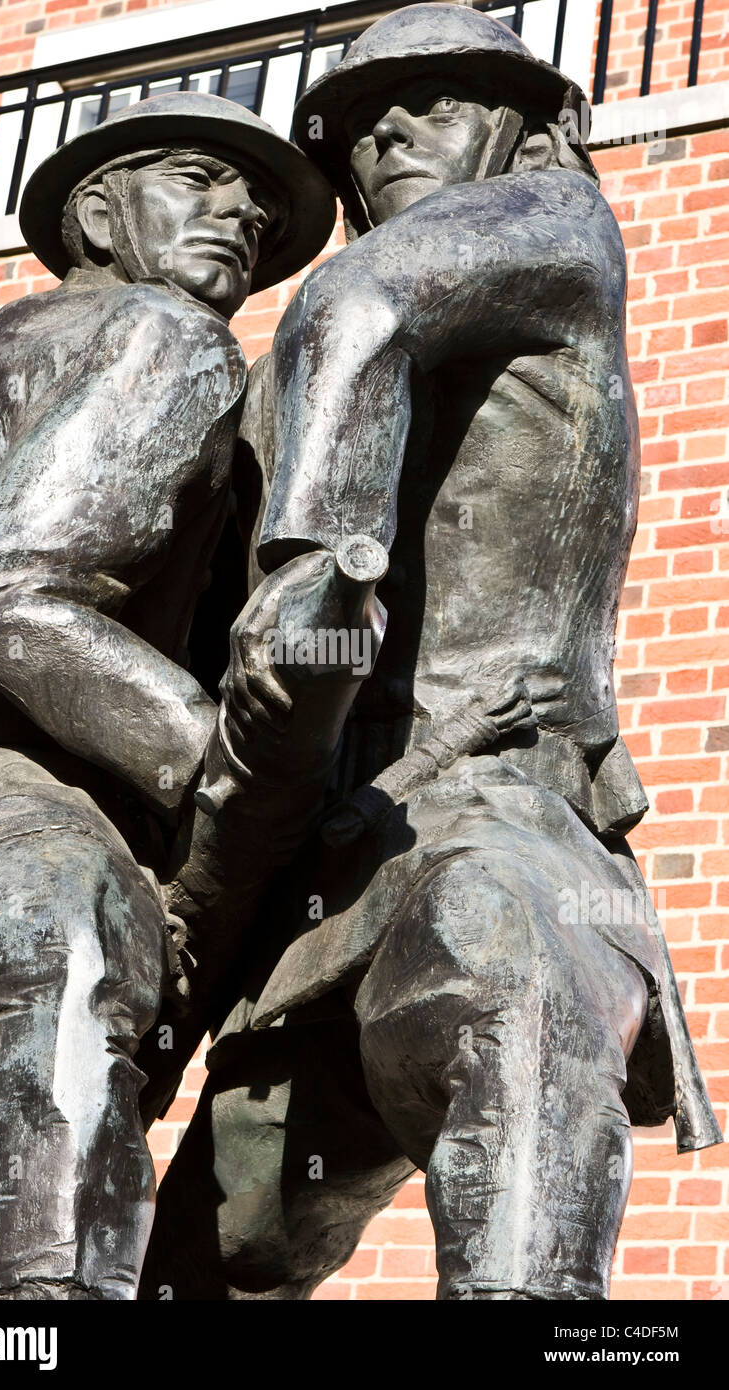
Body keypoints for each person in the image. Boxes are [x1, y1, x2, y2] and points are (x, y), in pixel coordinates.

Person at [142, 8, 721, 1302]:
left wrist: (307, 589)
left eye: (433, 98)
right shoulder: (275, 376)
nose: (383, 129)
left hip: (507, 814)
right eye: (353, 121)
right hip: (333, 866)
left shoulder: (549, 229)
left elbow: (357, 300)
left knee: (512, 1073)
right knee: (211, 1253)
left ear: (525, 124)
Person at [0, 90, 335, 1301]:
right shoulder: (167, 336)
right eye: (197, 179)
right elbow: (4, 592)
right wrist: (210, 756)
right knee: (72, 956)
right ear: (98, 211)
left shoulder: (27, 330)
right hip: (13, 803)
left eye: (253, 202)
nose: (239, 212)